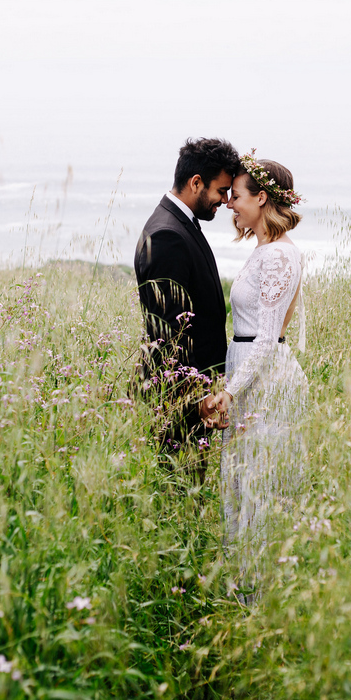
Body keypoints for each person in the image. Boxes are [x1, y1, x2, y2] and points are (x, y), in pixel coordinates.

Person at [212, 151, 307, 590]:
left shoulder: (278, 257)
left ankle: (260, 597)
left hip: (263, 381)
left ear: (262, 198)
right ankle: (243, 590)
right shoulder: (266, 250)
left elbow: (268, 337)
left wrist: (230, 392)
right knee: (240, 483)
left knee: (259, 487)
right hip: (251, 371)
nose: (230, 203)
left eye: (236, 196)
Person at [134, 137, 240, 445]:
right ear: (196, 182)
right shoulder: (169, 235)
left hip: (193, 396)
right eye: (221, 190)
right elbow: (167, 333)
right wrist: (195, 405)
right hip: (180, 406)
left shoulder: (181, 224)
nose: (225, 200)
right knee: (179, 490)